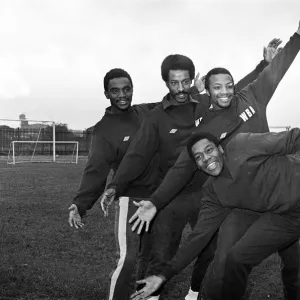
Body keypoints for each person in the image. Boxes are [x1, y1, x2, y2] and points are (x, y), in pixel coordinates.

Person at [129, 22, 300, 300]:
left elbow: (277, 70)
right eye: (216, 88)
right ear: (207, 92)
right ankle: (201, 293)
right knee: (226, 259)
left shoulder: (252, 96)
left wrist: (297, 37)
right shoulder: (206, 127)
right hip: (240, 201)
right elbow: (183, 166)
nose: (224, 92)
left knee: (293, 262)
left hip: (279, 185)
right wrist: (156, 201)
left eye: (228, 86)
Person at [130, 128, 300, 300]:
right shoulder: (213, 192)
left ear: (220, 149)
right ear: (197, 165)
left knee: (294, 266)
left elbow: (294, 138)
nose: (206, 158)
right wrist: (163, 275)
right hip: (285, 217)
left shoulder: (243, 144)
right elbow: (198, 237)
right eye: (199, 157)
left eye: (209, 150)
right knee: (237, 258)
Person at [68, 68, 161, 300]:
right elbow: (95, 171)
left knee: (153, 256)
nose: (122, 95)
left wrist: (194, 90)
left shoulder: (144, 112)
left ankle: (146, 296)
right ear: (106, 94)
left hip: (160, 198)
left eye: (127, 89)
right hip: (130, 199)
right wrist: (80, 204)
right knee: (128, 258)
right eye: (115, 91)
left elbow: (169, 104)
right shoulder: (104, 131)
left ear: (132, 90)